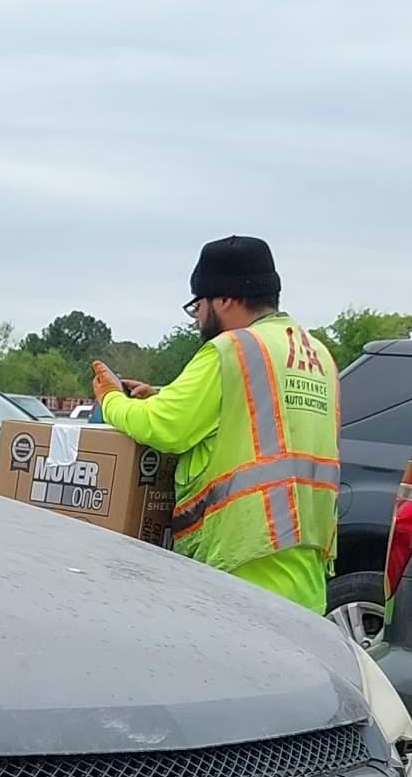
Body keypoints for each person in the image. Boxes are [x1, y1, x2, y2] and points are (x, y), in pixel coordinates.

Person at [90, 236, 338, 613]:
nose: (197, 319)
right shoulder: (316, 354)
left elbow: (164, 427)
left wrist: (111, 398)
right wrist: (162, 394)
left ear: (224, 299)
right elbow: (253, 421)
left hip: (244, 560)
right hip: (305, 561)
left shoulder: (232, 349)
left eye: (198, 306)